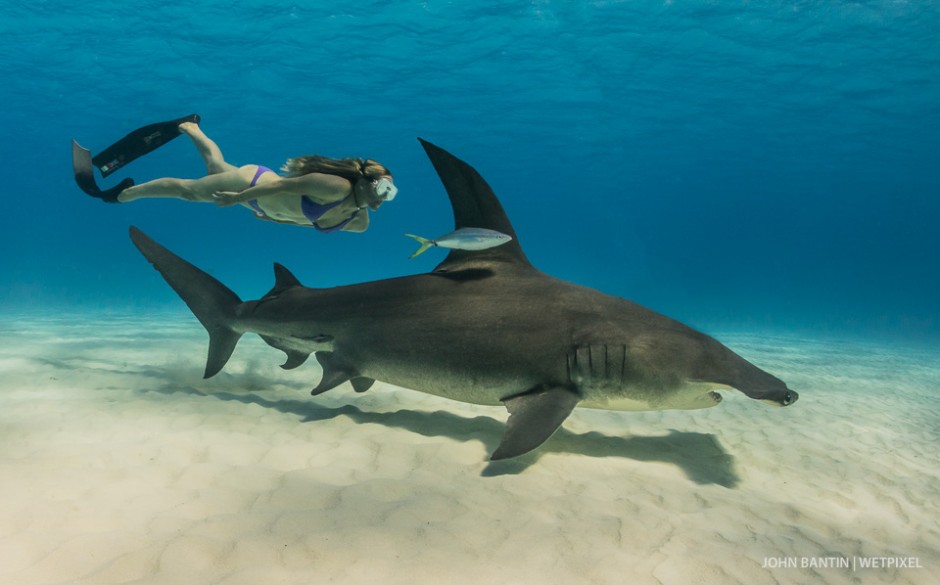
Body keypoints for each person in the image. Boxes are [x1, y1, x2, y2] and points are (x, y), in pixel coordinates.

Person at [115, 122, 397, 232]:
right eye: (385, 188)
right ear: (364, 182)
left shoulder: (359, 222)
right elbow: (280, 185)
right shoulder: (335, 186)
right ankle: (129, 193)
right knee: (190, 192)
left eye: (391, 193)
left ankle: (193, 130)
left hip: (259, 202)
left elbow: (307, 221)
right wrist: (238, 197)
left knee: (216, 166)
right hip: (252, 184)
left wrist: (273, 218)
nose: (386, 197)